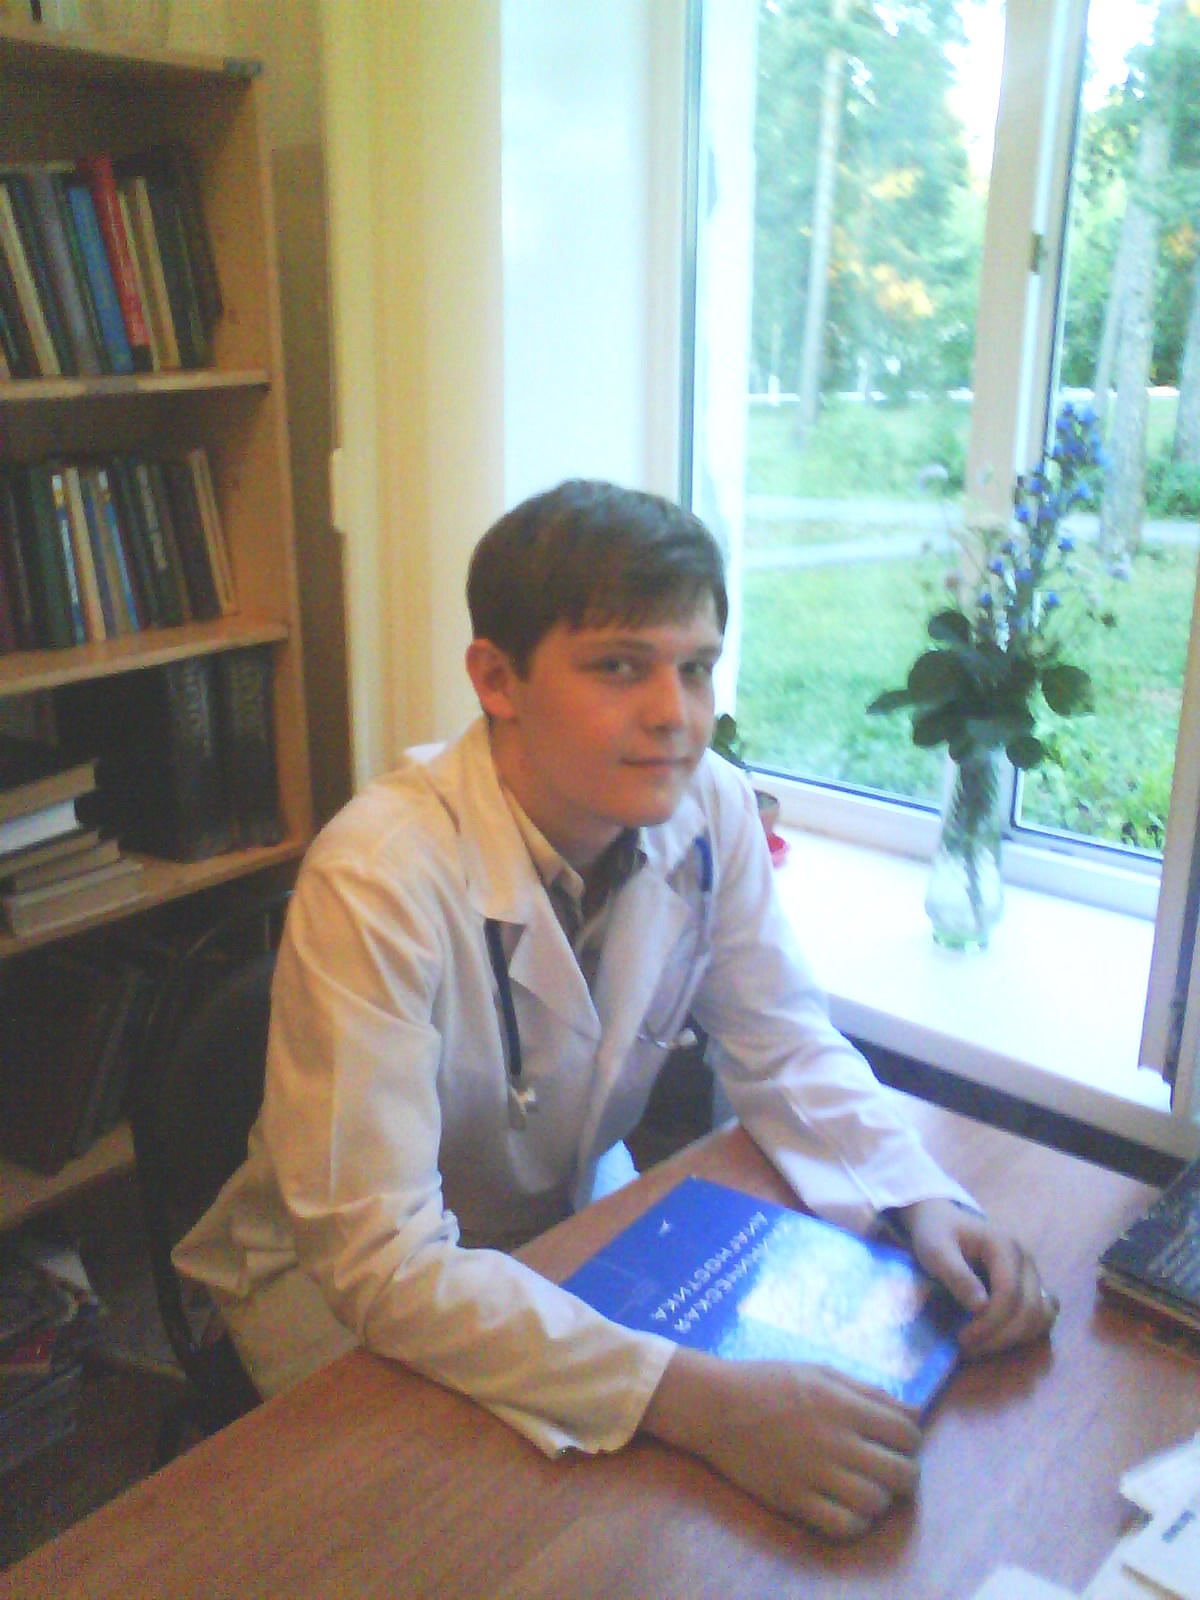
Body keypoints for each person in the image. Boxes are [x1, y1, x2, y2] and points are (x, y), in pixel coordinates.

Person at [176, 479, 1059, 1541]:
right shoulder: (378, 877)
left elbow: (783, 1043)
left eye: (695, 668)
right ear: (495, 679)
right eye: (619, 666)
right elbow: (383, 1263)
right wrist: (699, 1401)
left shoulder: (707, 804)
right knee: (495, 1546)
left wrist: (919, 1199)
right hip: (340, 1301)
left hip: (564, 1229)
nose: (675, 714)